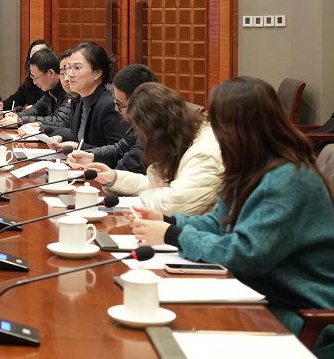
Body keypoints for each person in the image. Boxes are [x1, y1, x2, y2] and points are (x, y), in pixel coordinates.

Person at [130, 77, 334, 356]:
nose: (213, 131)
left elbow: (246, 254)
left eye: (217, 122)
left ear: (239, 127)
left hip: (299, 313)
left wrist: (172, 236)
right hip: (259, 293)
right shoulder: (251, 165)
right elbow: (220, 223)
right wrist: (169, 222)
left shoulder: (287, 179)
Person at [84, 82, 222, 215]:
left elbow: (172, 205)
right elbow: (159, 184)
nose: (144, 139)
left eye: (143, 132)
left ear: (157, 130)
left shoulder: (204, 153)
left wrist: (145, 196)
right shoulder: (181, 139)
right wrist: (113, 178)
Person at [65, 64, 158, 174]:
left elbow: (125, 171)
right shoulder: (144, 120)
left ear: (139, 104)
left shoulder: (154, 131)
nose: (116, 108)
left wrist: (105, 174)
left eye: (119, 104)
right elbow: (120, 149)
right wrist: (91, 156)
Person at [62, 41, 126, 149]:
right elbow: (77, 137)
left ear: (97, 73)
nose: (70, 75)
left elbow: (119, 152)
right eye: (69, 68)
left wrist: (78, 147)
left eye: (77, 68)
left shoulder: (108, 105)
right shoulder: (80, 101)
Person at [0, 48, 68, 128]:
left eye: (35, 77)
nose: (34, 82)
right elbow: (36, 109)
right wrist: (18, 116)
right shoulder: (50, 90)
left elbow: (59, 120)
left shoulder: (68, 90)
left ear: (50, 73)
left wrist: (20, 120)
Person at [0, 38, 49, 110]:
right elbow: (15, 100)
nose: (37, 57)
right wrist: (1, 105)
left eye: (41, 53)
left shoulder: (53, 81)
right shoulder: (30, 81)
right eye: (34, 54)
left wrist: (37, 110)